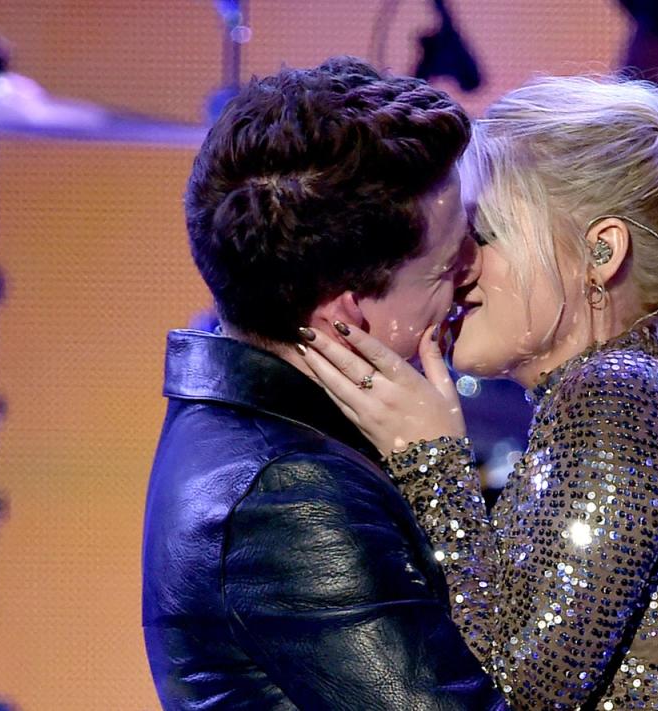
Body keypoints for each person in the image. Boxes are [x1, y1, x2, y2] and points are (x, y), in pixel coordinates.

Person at [297, 75, 658, 709]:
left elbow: (521, 688)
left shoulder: (619, 401)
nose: (456, 267)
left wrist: (431, 461)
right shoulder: (641, 400)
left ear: (601, 251)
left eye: (483, 235)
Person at [141, 56, 507, 710]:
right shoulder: (289, 497)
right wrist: (439, 475)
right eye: (449, 261)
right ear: (348, 317)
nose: (474, 272)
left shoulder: (259, 431)